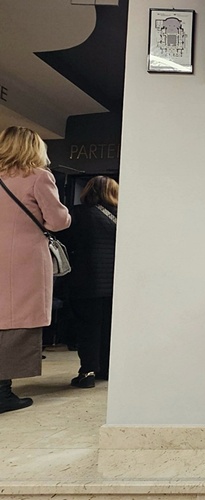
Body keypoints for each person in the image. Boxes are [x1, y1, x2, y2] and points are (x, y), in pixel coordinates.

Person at [0, 126, 71, 414]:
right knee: (18, 321)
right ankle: (3, 391)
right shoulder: (38, 176)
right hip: (23, 259)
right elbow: (57, 221)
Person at [59, 176, 118, 388]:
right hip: (114, 283)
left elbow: (65, 241)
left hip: (85, 282)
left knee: (88, 328)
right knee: (109, 328)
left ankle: (88, 372)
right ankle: (106, 368)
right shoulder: (121, 217)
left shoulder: (77, 213)